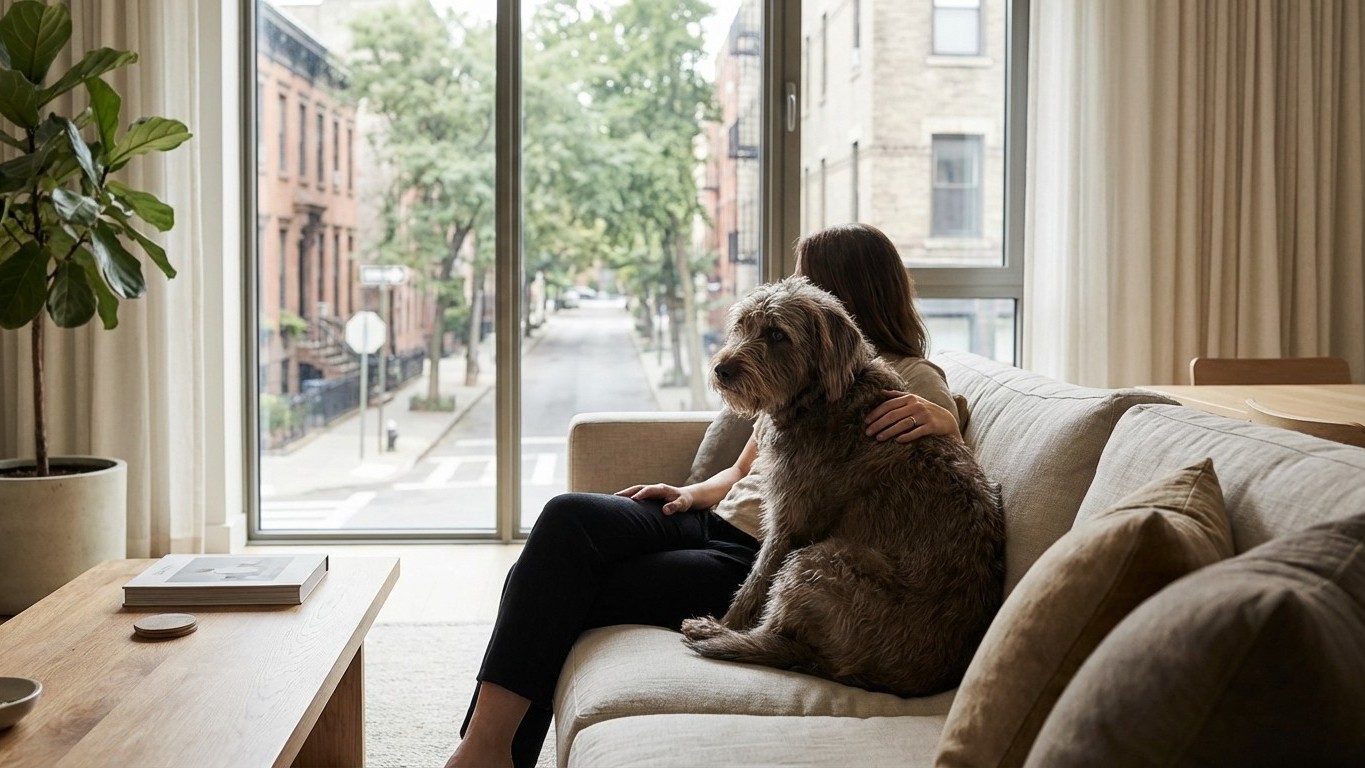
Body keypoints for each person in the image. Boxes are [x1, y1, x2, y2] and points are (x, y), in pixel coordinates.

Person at [446, 223, 962, 768]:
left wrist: (946, 423)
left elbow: (936, 474)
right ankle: (487, 749)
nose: (796, 283)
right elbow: (746, 468)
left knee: (559, 588)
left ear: (848, 292)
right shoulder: (793, 367)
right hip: (714, 519)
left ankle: (488, 752)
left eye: (810, 275)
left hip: (757, 558)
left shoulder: (901, 376)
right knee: (565, 519)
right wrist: (691, 493)